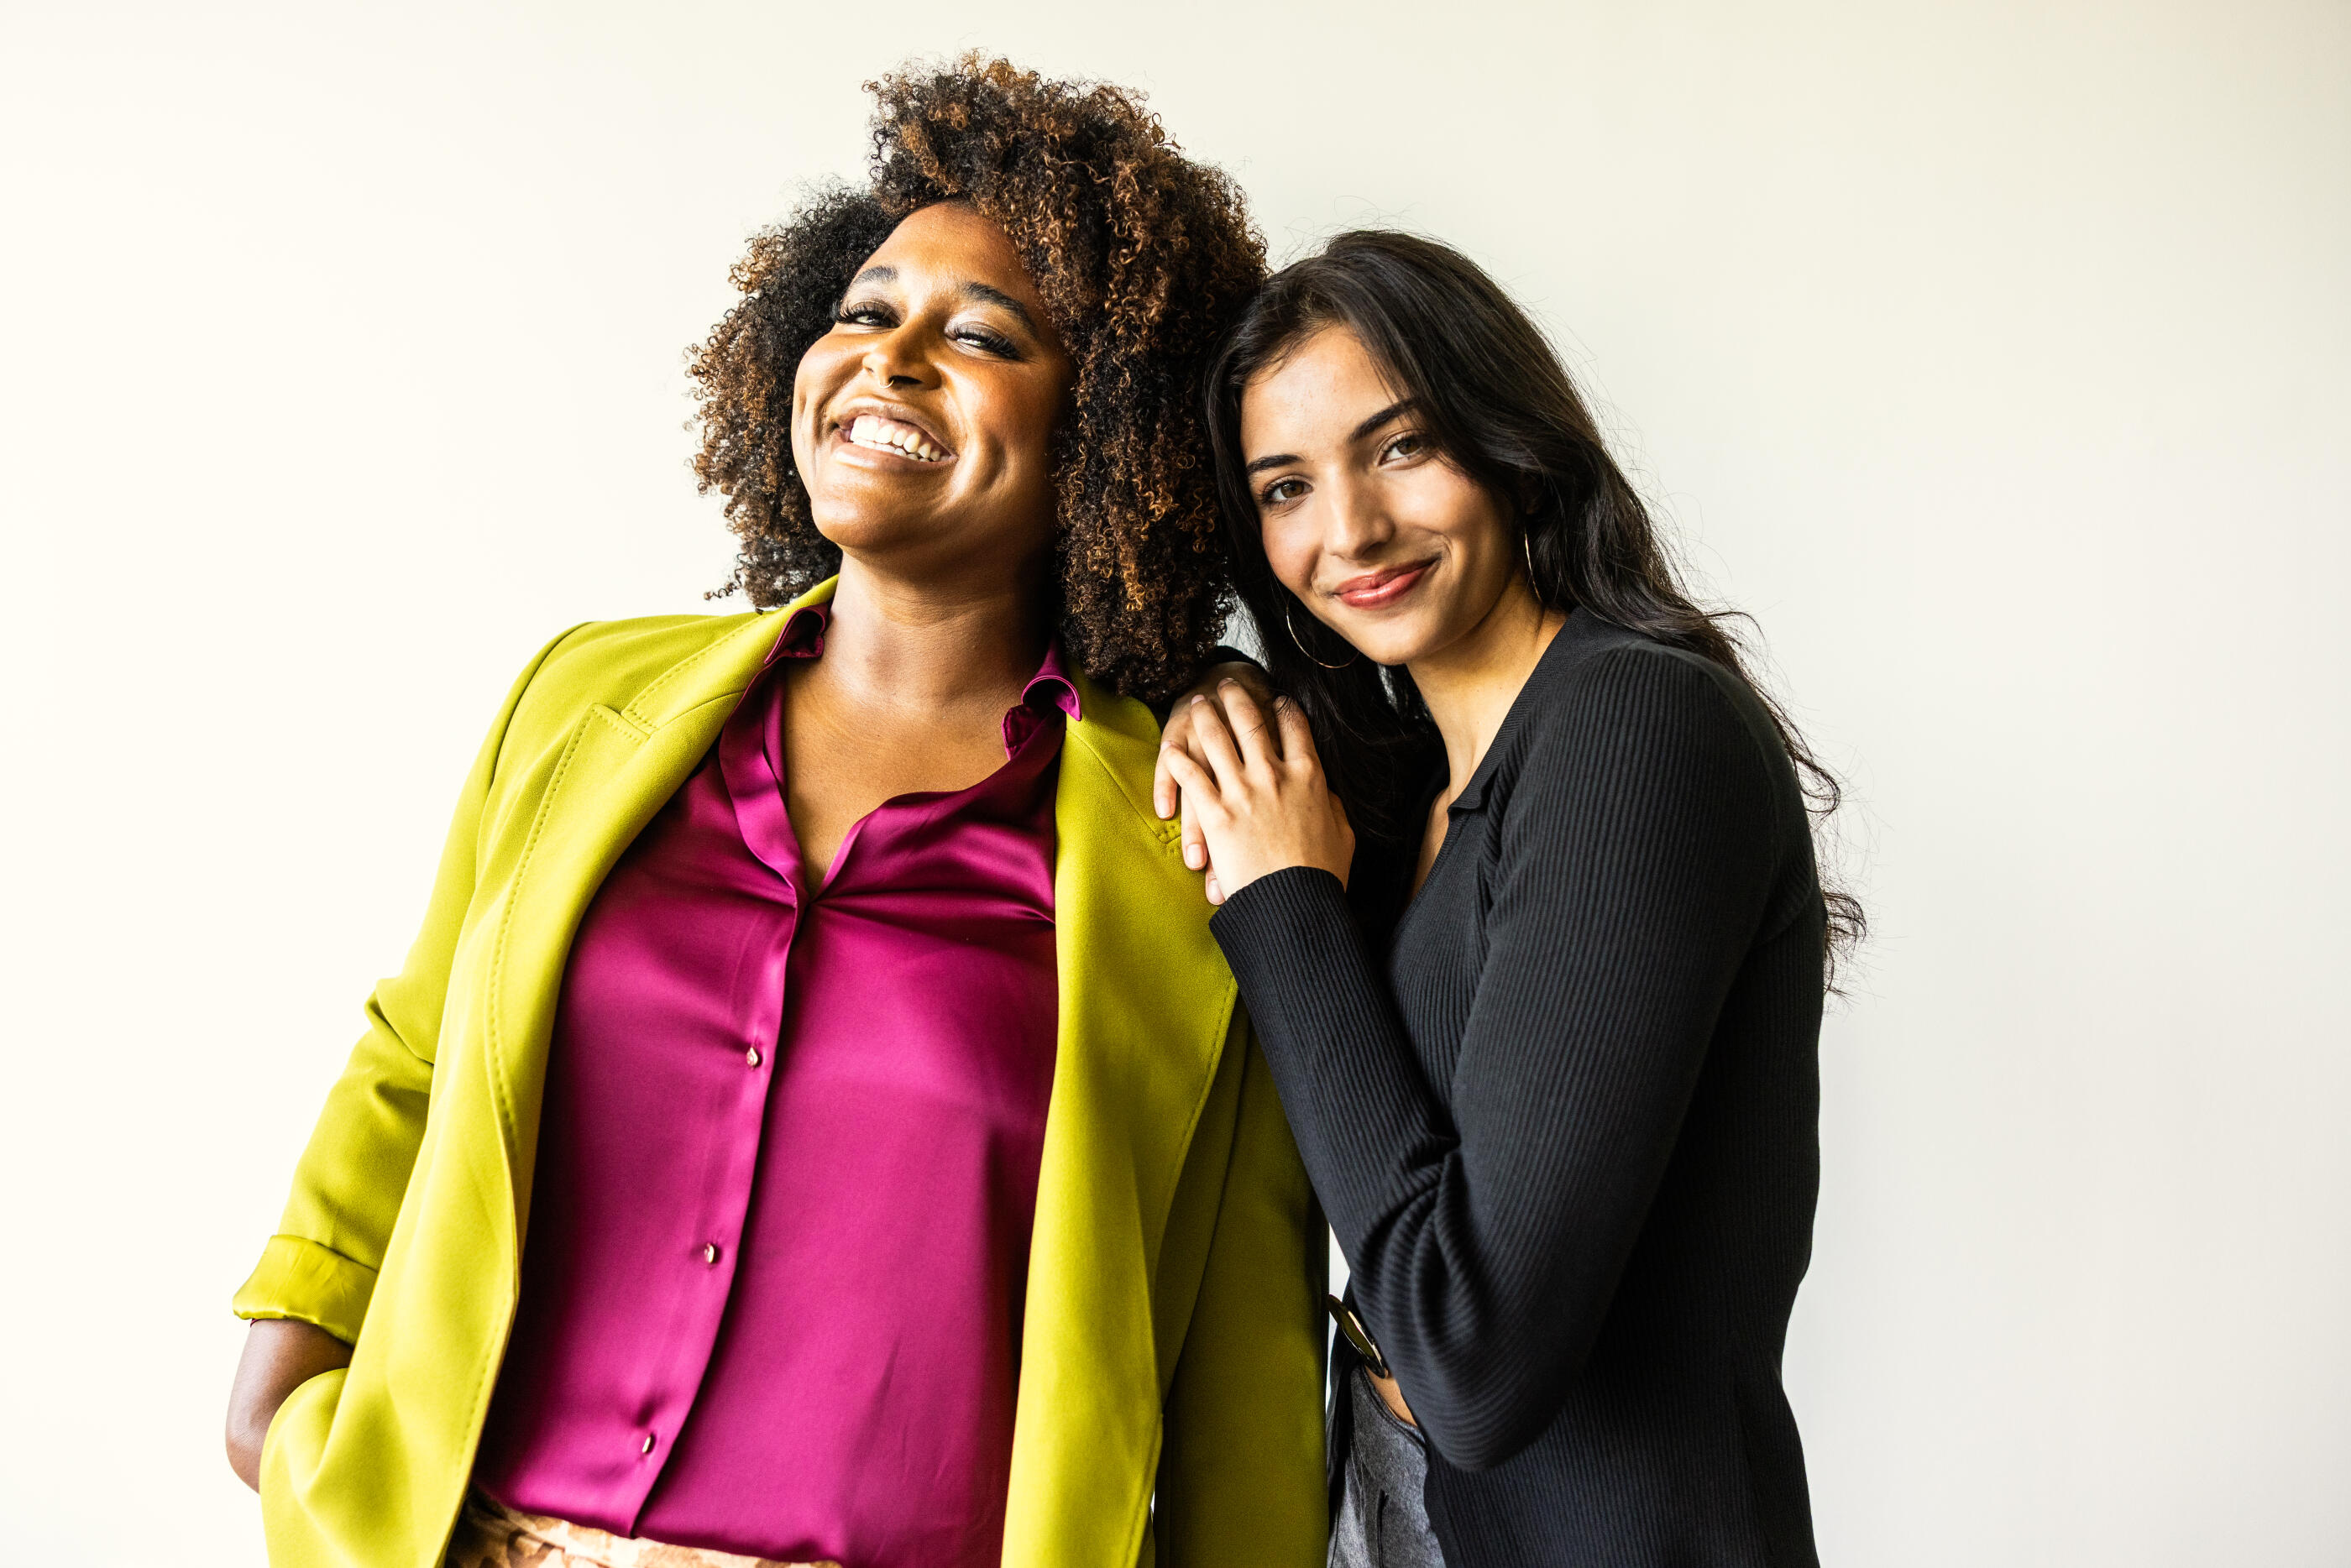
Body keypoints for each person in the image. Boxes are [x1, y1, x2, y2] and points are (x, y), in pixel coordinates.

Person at [224, 58, 1327, 1568]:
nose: (891, 359)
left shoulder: (1189, 835)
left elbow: (1241, 1371)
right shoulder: (582, 699)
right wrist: (286, 1380)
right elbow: (419, 1053)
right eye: (865, 312)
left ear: (1108, 429)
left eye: (983, 335)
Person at [1155, 230, 1861, 1567]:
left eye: (1400, 447)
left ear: (1507, 439)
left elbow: (1474, 1361)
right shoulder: (1415, 778)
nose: (1349, 529)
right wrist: (1223, 688)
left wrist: (1285, 900)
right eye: (1287, 486)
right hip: (1391, 1501)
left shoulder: (1633, 729)